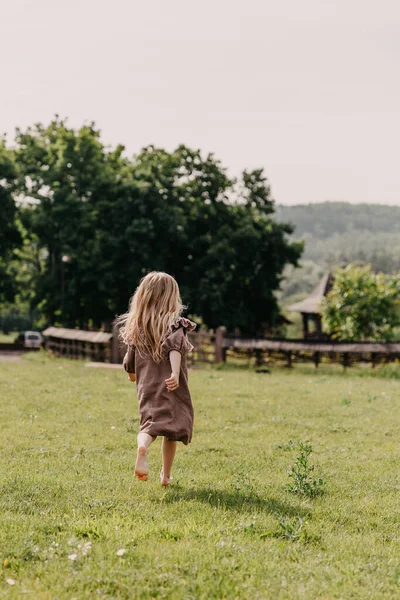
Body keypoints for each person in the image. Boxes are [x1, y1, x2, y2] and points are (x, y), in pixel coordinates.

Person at [118, 272, 196, 486]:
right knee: (171, 431)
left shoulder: (138, 326)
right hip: (171, 387)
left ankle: (142, 447)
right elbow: (175, 348)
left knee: (149, 426)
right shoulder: (175, 324)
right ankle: (166, 476)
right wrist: (174, 373)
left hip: (147, 387)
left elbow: (129, 359)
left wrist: (132, 374)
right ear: (172, 297)